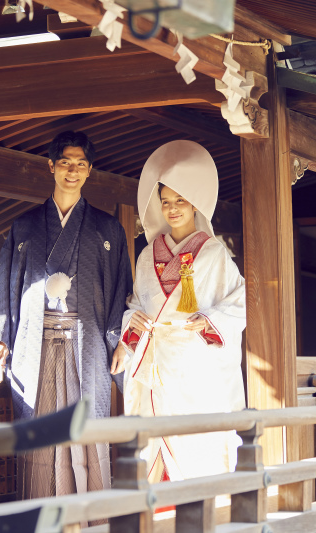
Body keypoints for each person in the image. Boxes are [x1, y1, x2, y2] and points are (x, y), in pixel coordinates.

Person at [0, 131, 133, 500]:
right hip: (37, 343)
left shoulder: (107, 229)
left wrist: (121, 340)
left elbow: (120, 289)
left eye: (80, 164)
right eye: (65, 162)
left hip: (88, 343)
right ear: (51, 166)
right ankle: (41, 515)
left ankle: (91, 518)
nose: (72, 171)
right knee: (41, 428)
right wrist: (3, 337)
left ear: (90, 170)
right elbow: (9, 284)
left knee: (87, 428)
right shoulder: (25, 226)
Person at [121, 140, 246, 482]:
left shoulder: (213, 254)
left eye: (180, 201)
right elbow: (136, 306)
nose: (172, 209)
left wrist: (207, 320)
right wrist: (130, 327)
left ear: (194, 204)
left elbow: (240, 301)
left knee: (196, 445)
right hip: (154, 366)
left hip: (195, 370)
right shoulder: (148, 256)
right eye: (165, 202)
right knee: (151, 444)